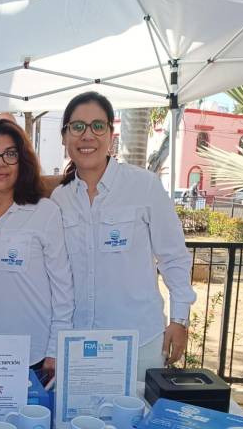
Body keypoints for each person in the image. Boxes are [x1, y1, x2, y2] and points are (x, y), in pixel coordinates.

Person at [50, 91, 196, 380]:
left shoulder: (144, 186)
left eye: (97, 126)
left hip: (138, 342)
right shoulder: (59, 199)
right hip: (78, 345)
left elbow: (174, 257)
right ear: (65, 137)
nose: (87, 135)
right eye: (77, 127)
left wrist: (180, 320)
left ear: (110, 134)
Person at [0, 119, 74, 383]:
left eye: (11, 154)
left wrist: (55, 349)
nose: (0, 163)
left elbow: (63, 289)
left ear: (23, 163)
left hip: (31, 356)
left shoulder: (44, 212)